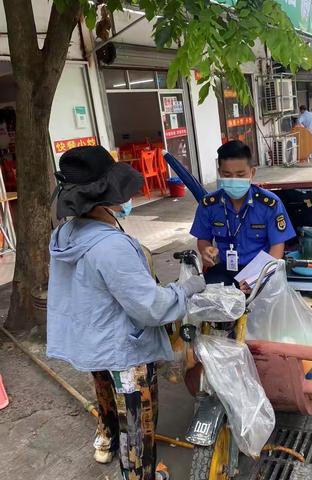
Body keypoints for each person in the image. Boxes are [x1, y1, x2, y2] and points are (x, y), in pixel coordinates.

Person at [47, 146, 205, 479]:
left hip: (95, 343)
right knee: (137, 428)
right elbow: (151, 308)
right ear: (105, 196)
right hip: (125, 352)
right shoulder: (111, 246)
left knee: (109, 405)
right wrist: (186, 289)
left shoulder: (65, 234)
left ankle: (107, 444)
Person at [190, 140, 296, 286]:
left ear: (252, 172)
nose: (234, 180)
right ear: (220, 173)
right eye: (227, 175)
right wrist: (205, 251)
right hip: (223, 270)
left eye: (240, 175)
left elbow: (277, 247)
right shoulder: (209, 204)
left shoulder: (269, 204)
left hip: (261, 271)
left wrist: (257, 279)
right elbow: (203, 239)